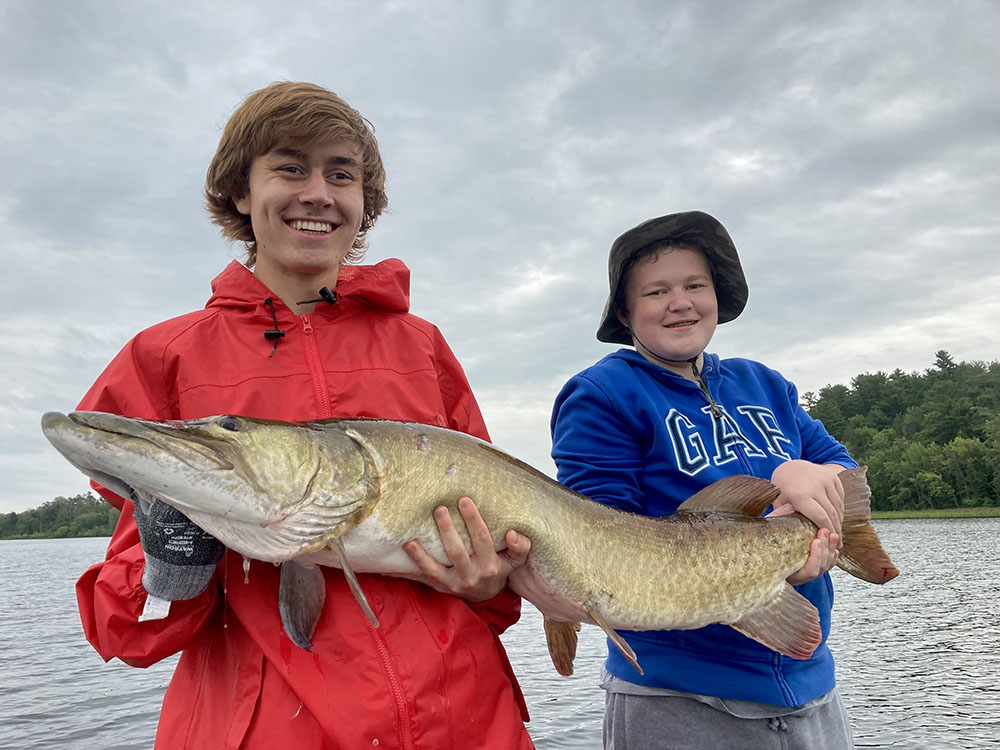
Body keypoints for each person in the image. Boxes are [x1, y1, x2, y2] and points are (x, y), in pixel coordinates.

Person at [74, 81, 535, 749]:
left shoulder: (424, 345)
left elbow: (498, 589)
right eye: (290, 166)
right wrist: (173, 561)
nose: (318, 192)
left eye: (340, 174)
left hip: (466, 722)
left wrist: (489, 579)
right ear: (240, 191)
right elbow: (129, 631)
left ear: (363, 204)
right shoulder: (162, 357)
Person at [550, 211, 855, 749]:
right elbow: (594, 540)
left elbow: (847, 478)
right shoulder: (601, 394)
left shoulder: (765, 383)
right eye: (656, 290)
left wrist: (807, 471)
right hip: (677, 698)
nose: (680, 302)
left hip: (811, 689)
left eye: (695, 284)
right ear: (625, 310)